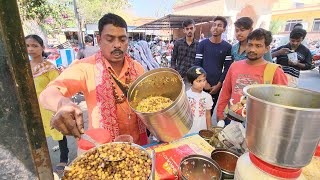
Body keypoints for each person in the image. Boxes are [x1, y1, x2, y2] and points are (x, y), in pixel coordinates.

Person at [39, 13, 148, 145]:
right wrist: (61, 104)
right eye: (110, 39)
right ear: (99, 40)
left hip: (139, 145)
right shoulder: (85, 67)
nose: (117, 45)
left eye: (122, 39)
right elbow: (47, 93)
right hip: (104, 148)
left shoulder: (137, 68)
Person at [216, 28, 288, 127]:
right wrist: (219, 113)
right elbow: (226, 91)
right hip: (231, 118)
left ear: (267, 48)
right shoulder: (235, 66)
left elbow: (281, 103)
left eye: (258, 46)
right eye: (250, 45)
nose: (252, 49)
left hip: (257, 125)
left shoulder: (275, 71)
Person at [25, 35, 69, 174]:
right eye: (27, 46)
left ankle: (63, 158)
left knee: (58, 132)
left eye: (35, 45)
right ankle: (40, 160)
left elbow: (58, 87)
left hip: (49, 107)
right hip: (33, 107)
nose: (31, 49)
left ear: (42, 48)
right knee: (36, 135)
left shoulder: (49, 68)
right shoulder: (24, 68)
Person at [195, 16, 232, 112]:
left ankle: (207, 127)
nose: (215, 27)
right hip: (201, 83)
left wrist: (219, 85)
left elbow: (227, 68)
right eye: (214, 25)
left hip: (216, 86)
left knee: (209, 111)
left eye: (219, 26)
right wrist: (204, 82)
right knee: (197, 111)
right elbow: (197, 64)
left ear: (224, 29)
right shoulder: (202, 44)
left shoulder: (227, 47)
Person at [171, 19, 198, 88]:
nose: (189, 31)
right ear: (184, 30)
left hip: (192, 78)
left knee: (190, 97)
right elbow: (173, 59)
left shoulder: (199, 45)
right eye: (187, 29)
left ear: (194, 29)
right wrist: (175, 72)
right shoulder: (178, 43)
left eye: (191, 28)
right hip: (180, 77)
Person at [186, 66, 213, 133]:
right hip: (188, 130)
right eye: (199, 81)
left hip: (201, 129)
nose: (202, 83)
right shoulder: (186, 96)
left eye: (204, 80)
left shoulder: (207, 97)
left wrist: (209, 129)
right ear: (190, 82)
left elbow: (208, 115)